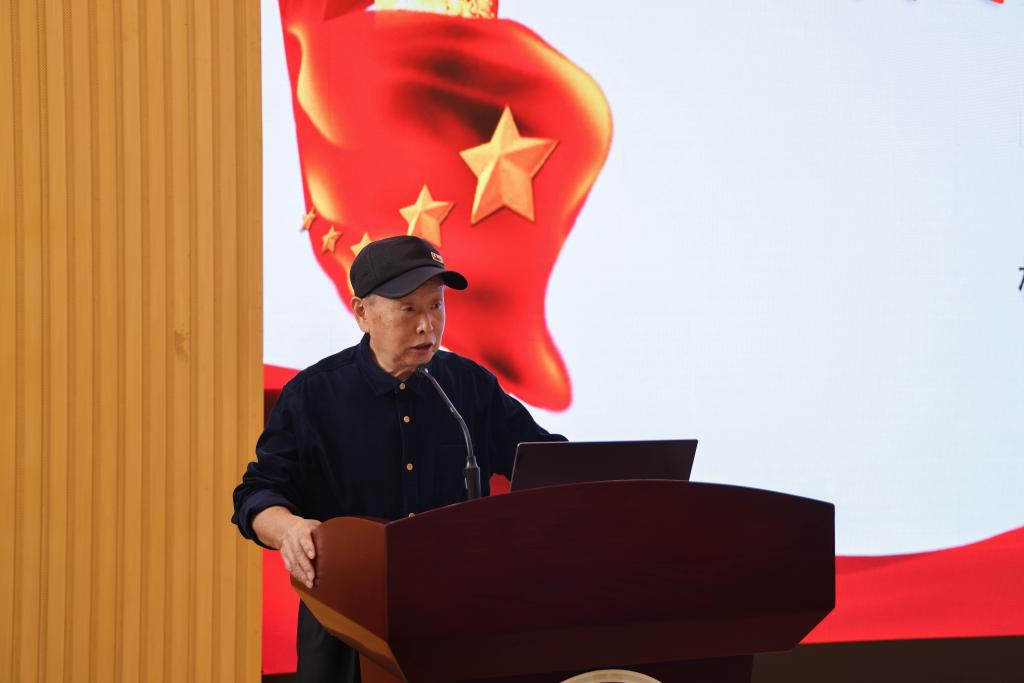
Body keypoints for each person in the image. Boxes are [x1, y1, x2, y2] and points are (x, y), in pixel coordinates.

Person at [231, 235, 564, 683]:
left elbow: (544, 464)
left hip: (456, 626)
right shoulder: (313, 396)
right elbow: (256, 495)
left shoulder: (469, 386)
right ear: (362, 313)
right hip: (346, 629)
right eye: (409, 309)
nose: (428, 325)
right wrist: (289, 529)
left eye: (436, 306)